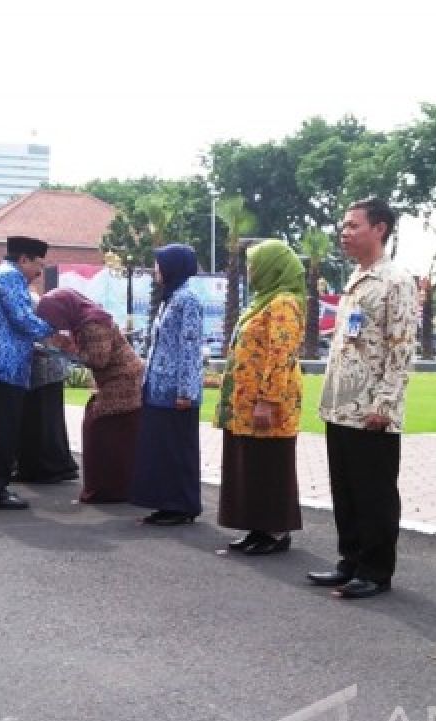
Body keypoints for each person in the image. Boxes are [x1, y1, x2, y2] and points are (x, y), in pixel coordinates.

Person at [307, 198, 417, 599]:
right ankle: (349, 561)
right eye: (344, 226)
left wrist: (385, 404)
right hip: (341, 404)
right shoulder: (357, 278)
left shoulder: (396, 281)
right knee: (346, 490)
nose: (345, 232)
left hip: (371, 409)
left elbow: (401, 346)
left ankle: (375, 569)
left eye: (353, 225)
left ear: (380, 229)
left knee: (374, 493)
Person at [215, 239, 306, 555]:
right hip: (245, 401)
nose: (250, 270)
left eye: (255, 264)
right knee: (250, 464)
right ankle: (257, 527)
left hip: (267, 403)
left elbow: (279, 355)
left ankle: (276, 531)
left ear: (273, 267)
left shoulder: (283, 303)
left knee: (270, 464)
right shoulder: (261, 301)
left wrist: (268, 400)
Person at [0, 236, 64, 510]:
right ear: (23, 259)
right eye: (38, 264)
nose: (39, 271)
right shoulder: (11, 278)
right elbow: (22, 319)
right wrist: (54, 330)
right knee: (1, 432)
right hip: (4, 367)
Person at [36, 288, 144, 503]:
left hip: (122, 380)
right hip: (113, 380)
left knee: (101, 431)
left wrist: (64, 351)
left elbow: (98, 360)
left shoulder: (92, 324)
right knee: (104, 431)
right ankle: (110, 489)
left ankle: (108, 490)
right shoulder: (85, 320)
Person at [128, 244, 204, 525]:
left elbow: (190, 347)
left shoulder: (188, 300)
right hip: (158, 387)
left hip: (176, 391)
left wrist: (186, 391)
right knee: (161, 448)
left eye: (159, 264)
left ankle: (182, 505)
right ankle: (165, 502)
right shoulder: (170, 298)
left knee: (177, 449)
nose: (155, 270)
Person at [16, 281, 79, 484]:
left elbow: (43, 337)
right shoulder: (34, 300)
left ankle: (44, 467)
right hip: (49, 368)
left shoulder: (29, 303)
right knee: (50, 420)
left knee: (39, 420)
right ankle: (58, 465)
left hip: (42, 368)